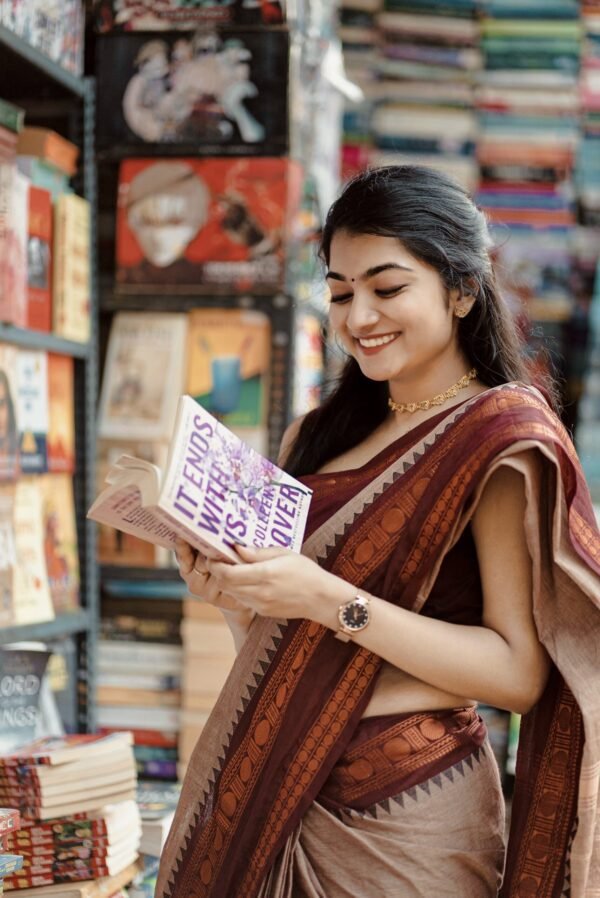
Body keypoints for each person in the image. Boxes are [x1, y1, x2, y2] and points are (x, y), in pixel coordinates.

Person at [156, 166, 600, 898]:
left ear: (462, 290)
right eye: (339, 293)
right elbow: (281, 646)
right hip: (273, 782)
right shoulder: (315, 437)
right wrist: (234, 595)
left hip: (404, 817)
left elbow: (516, 674)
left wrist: (329, 599)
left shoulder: (496, 439)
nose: (359, 317)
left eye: (387, 289)